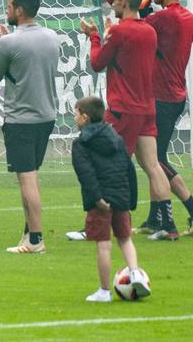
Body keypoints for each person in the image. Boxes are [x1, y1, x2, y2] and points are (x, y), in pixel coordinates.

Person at [81, 0, 171, 239]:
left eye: (115, 1)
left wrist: (95, 36)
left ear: (123, 3)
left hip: (123, 109)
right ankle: (169, 226)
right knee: (152, 165)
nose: (112, 5)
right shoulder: (149, 31)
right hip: (146, 106)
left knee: (109, 166)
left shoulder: (120, 32)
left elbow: (97, 63)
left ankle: (101, 225)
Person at [0, 0, 61, 255]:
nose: (6, 10)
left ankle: (36, 239)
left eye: (9, 6)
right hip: (47, 116)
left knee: (27, 180)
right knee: (31, 175)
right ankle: (28, 232)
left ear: (19, 10)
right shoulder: (52, 37)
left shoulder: (9, 43)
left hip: (21, 119)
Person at [71, 95, 147, 302]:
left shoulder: (81, 144)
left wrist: (96, 198)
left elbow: (86, 174)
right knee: (125, 238)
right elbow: (129, 169)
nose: (74, 118)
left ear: (85, 118)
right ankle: (135, 273)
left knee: (103, 244)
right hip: (121, 196)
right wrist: (131, 199)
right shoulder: (116, 137)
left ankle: (104, 291)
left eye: (76, 114)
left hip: (101, 201)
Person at [143, 0, 193, 234]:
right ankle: (154, 217)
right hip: (175, 95)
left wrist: (141, 7)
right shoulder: (187, 17)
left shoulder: (164, 18)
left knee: (155, 159)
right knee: (152, 157)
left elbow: (136, 28)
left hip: (161, 98)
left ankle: (191, 208)